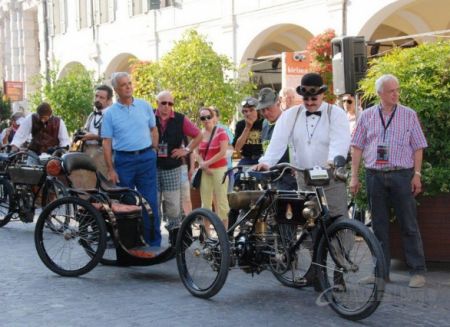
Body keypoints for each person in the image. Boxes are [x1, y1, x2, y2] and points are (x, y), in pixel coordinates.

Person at [350, 74, 427, 288]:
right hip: (374, 175)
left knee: (408, 224)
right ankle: (380, 273)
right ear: (380, 94)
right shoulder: (366, 116)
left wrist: (417, 175)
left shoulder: (409, 115)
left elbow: (418, 146)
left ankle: (417, 272)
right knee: (379, 226)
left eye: (397, 90)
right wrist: (354, 176)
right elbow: (357, 146)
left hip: (402, 175)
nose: (396, 94)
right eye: (391, 90)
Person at [256, 73, 350, 219]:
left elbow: (340, 141)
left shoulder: (336, 114)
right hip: (304, 178)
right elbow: (278, 141)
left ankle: (341, 242)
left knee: (338, 220)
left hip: (331, 178)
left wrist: (333, 160)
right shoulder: (291, 115)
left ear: (322, 95)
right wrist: (266, 162)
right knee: (308, 222)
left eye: (314, 98)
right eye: (306, 99)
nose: (310, 102)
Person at [101, 72, 161, 252]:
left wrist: (153, 150)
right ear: (116, 90)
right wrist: (111, 169)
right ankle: (129, 243)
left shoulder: (144, 106)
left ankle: (154, 243)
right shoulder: (110, 113)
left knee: (150, 202)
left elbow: (154, 129)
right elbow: (106, 142)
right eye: (123, 85)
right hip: (123, 161)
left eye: (129, 83)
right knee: (126, 204)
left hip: (145, 159)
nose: (128, 87)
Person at [155, 90, 201, 229]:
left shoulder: (180, 119)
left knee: (173, 204)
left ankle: (174, 238)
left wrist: (186, 150)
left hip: (172, 167)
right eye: (163, 103)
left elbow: (198, 135)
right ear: (157, 103)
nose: (167, 106)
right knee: (153, 202)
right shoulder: (149, 116)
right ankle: (154, 236)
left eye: (170, 103)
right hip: (152, 166)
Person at [257, 87, 296, 190]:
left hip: (289, 175)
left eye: (268, 108)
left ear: (278, 102)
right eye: (262, 110)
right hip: (271, 175)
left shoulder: (289, 121)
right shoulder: (264, 124)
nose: (265, 113)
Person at [196, 107, 230, 228]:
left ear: (213, 117)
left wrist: (207, 163)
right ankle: (207, 235)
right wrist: (203, 165)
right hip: (205, 171)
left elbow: (223, 152)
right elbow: (196, 152)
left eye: (208, 117)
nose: (206, 120)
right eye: (203, 118)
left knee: (222, 201)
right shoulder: (199, 134)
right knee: (205, 203)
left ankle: (224, 234)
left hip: (220, 169)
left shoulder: (221, 132)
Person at [81, 84, 113, 176]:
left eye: (102, 97)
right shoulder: (92, 114)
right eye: (96, 96)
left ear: (109, 101)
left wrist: (94, 137)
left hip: (104, 155)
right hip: (87, 153)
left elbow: (114, 137)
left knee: (104, 185)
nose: (98, 99)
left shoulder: (112, 115)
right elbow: (86, 130)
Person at [232, 96, 263, 166]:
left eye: (251, 110)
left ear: (258, 111)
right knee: (238, 175)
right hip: (247, 159)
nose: (248, 113)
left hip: (262, 158)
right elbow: (237, 149)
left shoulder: (264, 123)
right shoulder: (240, 124)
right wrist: (247, 128)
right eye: (245, 111)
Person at [211, 106, 234, 192]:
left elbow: (230, 148)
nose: (209, 118)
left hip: (225, 170)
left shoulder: (223, 129)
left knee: (225, 199)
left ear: (218, 117)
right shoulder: (204, 131)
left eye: (212, 115)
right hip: (211, 171)